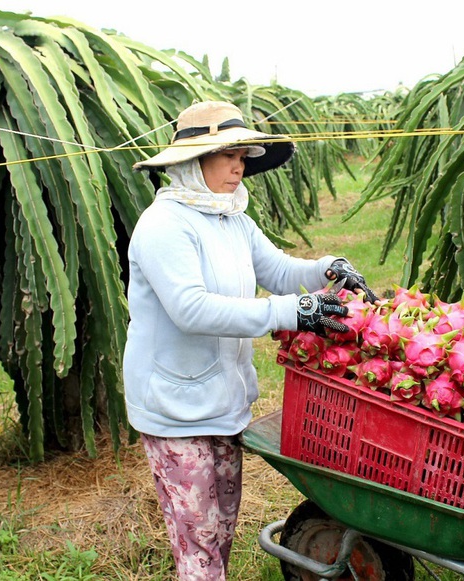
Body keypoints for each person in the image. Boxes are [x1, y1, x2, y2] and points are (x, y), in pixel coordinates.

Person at [123, 101, 377, 580]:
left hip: (223, 401)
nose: (239, 165)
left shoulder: (231, 218)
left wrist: (328, 268)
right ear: (190, 162)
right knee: (197, 541)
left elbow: (278, 269)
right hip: (175, 408)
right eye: (226, 155)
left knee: (218, 528)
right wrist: (292, 312)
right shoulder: (164, 225)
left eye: (242, 154)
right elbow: (190, 308)